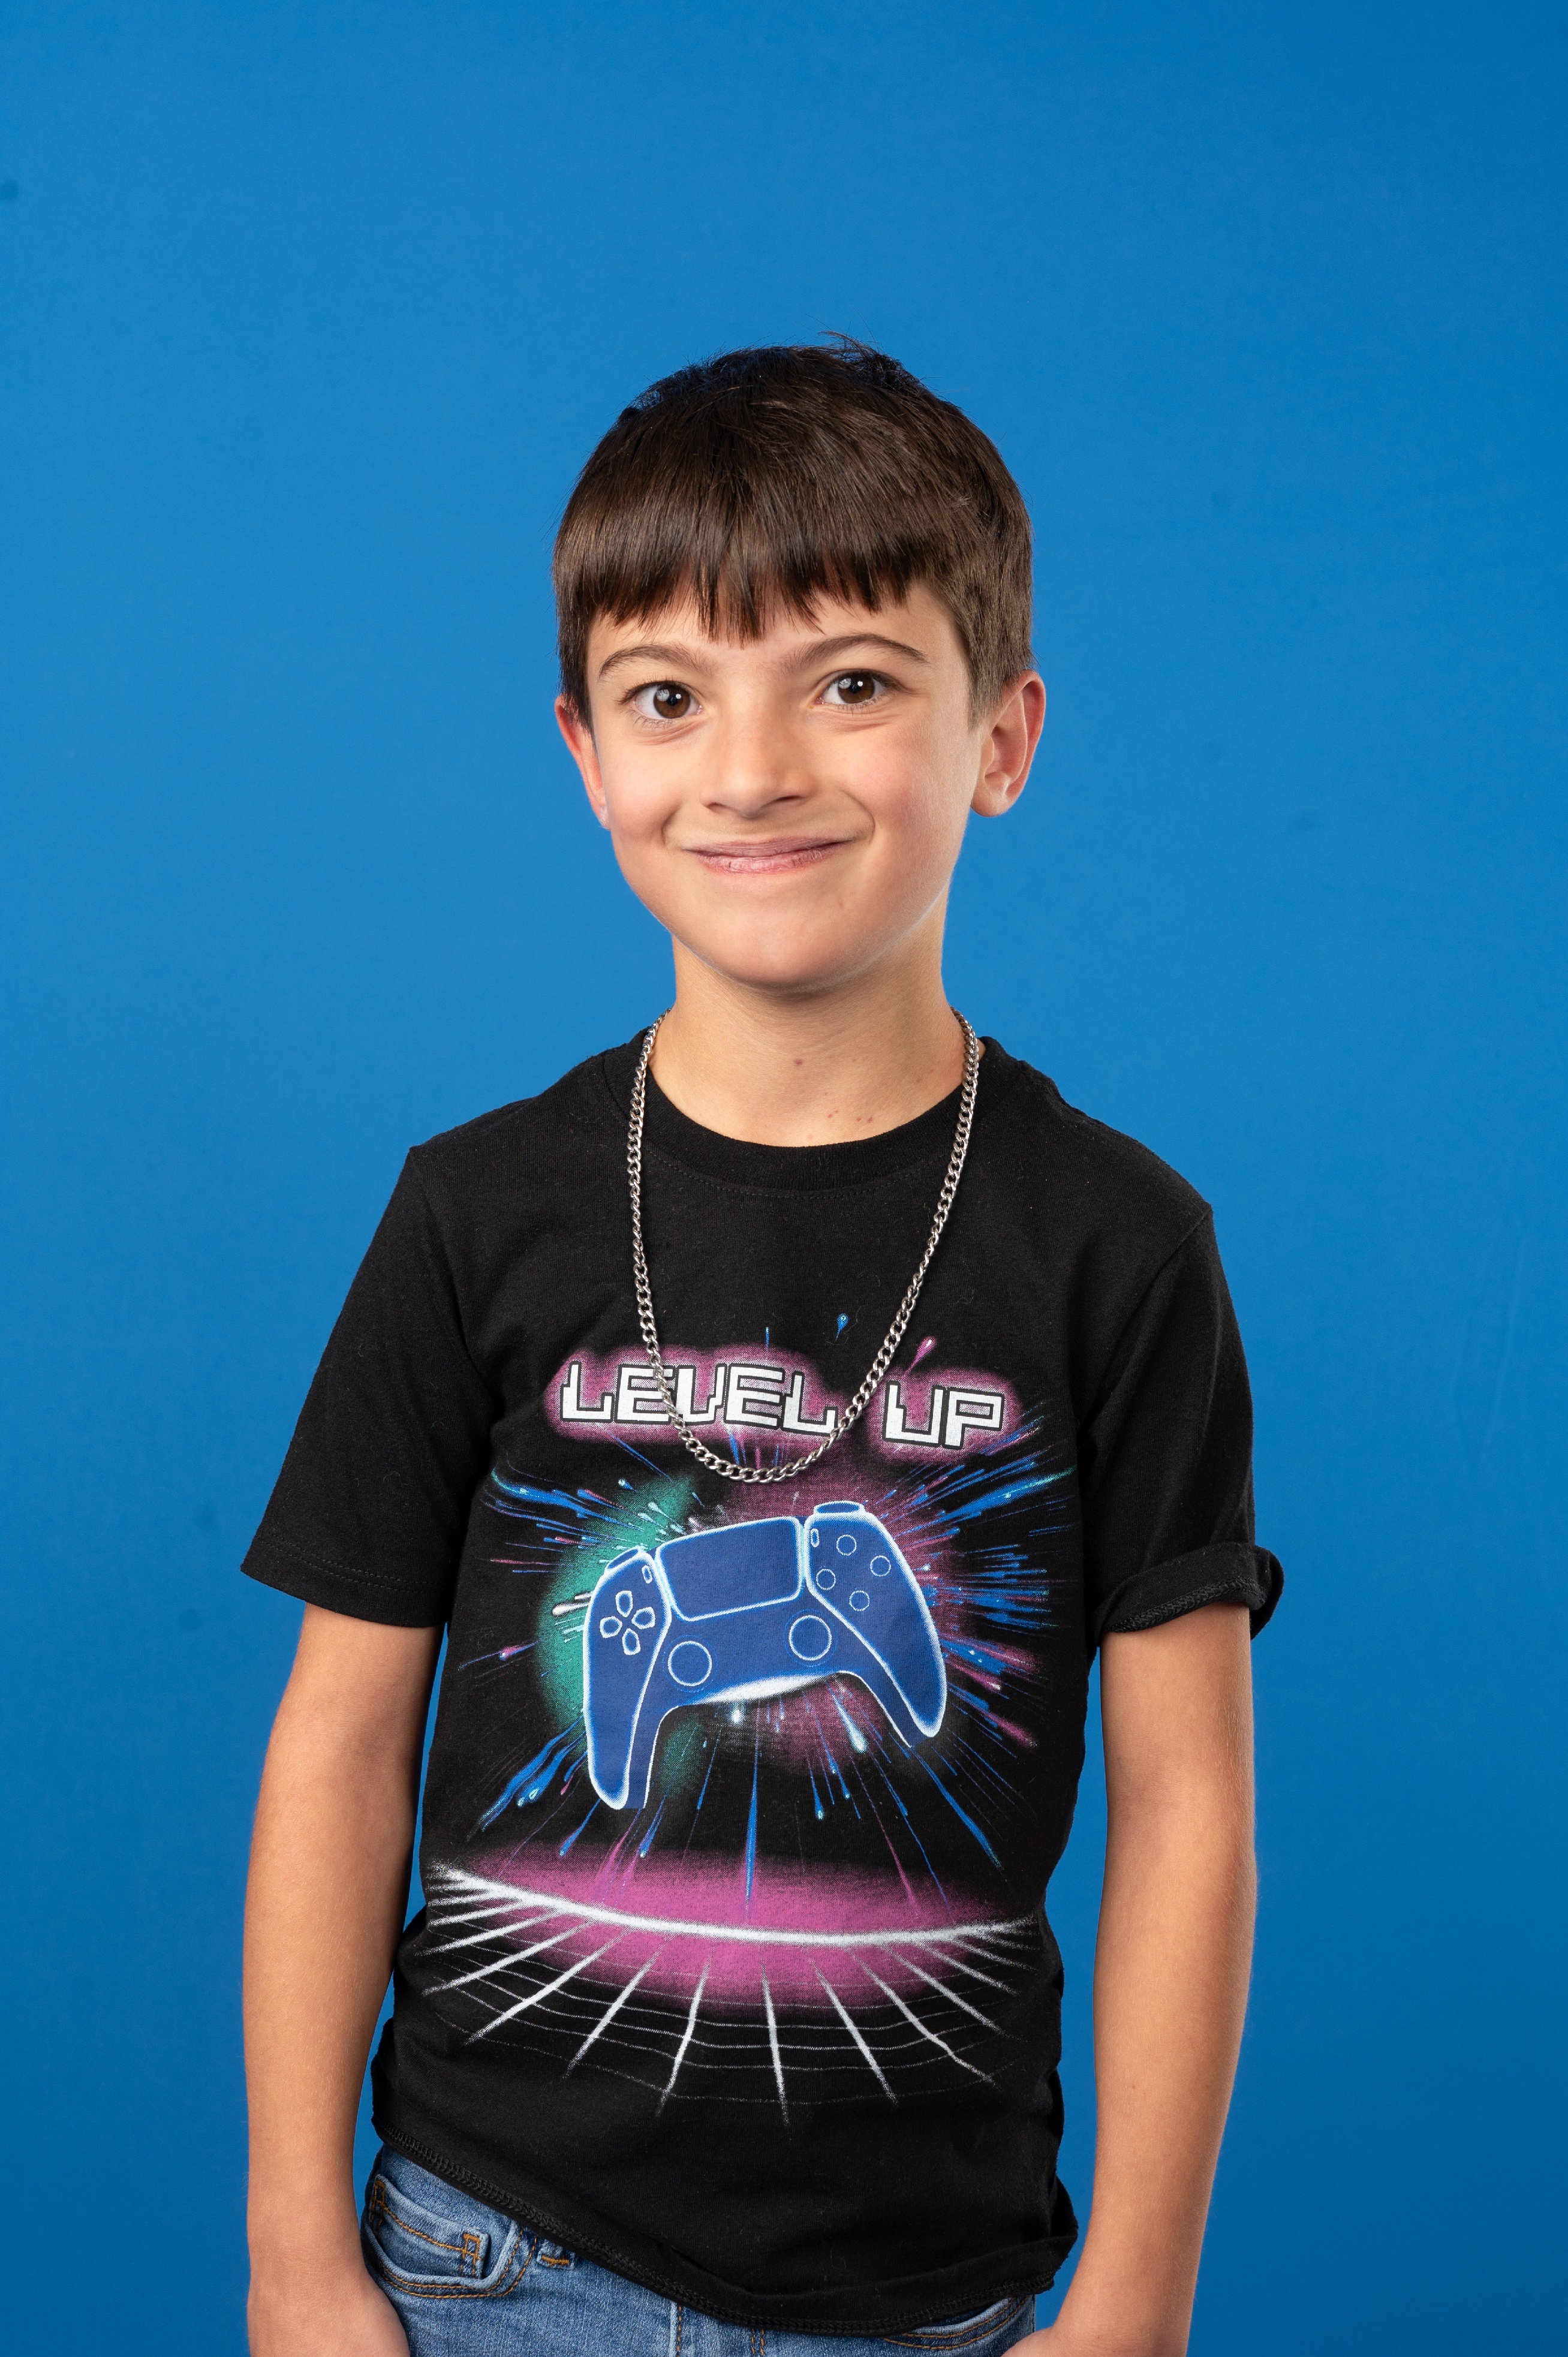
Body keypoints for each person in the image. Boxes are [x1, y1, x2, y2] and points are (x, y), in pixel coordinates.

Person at [242, 340, 1281, 2357]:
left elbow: (1190, 1806)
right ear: (585, 753)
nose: (751, 768)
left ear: (1004, 734)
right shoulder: (476, 1210)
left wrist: (1137, 2305)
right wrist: (297, 2258)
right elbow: (339, 1739)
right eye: (669, 697)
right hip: (488, 2254)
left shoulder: (1120, 1243)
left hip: (929, 2285)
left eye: (854, 682)